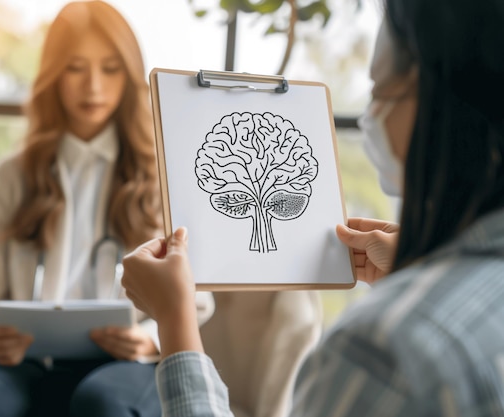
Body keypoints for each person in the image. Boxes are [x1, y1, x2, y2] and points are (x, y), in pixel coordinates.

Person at [120, 0, 504, 415]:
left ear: (435, 96)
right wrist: (414, 274)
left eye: (378, 90)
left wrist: (175, 321)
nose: (372, 114)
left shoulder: (385, 350)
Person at [0, 2, 214, 417]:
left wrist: (149, 339)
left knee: (104, 403)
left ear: (129, 76)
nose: (93, 87)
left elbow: (196, 296)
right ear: (53, 75)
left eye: (110, 68)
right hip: (25, 363)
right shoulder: (16, 174)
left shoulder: (164, 173)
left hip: (122, 362)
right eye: (75, 68)